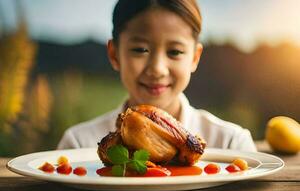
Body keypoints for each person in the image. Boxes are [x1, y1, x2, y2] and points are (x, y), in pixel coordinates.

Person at [57, 0, 257, 152]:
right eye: (140, 49)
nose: (157, 69)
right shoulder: (77, 145)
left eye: (175, 52)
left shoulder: (231, 143)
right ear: (114, 54)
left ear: (195, 58)